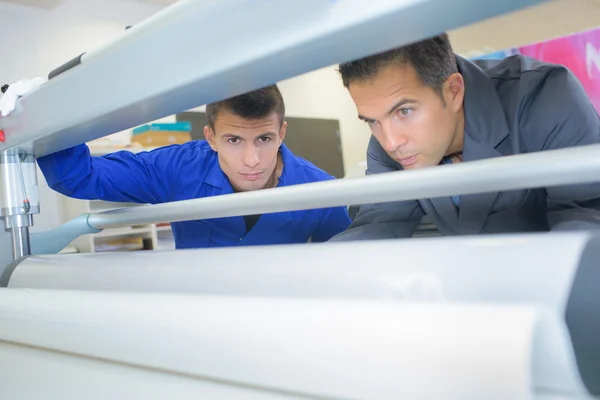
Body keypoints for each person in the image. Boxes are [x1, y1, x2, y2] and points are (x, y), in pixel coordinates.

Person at [331, 33, 600, 241]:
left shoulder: (544, 98)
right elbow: (377, 225)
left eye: (405, 111)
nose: (390, 143)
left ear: (454, 91)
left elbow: (588, 218)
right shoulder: (387, 143)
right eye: (372, 121)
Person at [33, 85, 351, 248]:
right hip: (194, 323)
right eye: (234, 140)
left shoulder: (318, 191)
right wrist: (52, 112)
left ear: (281, 133)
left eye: (265, 138)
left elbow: (344, 271)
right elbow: (77, 177)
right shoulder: (178, 168)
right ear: (211, 137)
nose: (252, 160)